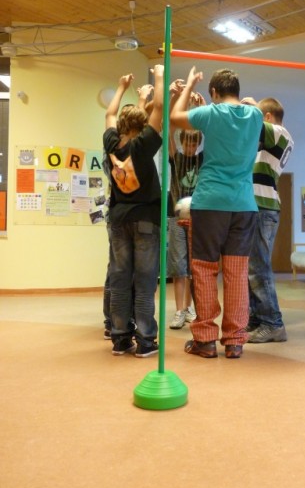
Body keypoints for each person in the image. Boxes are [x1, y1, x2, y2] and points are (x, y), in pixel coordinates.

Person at [170, 66, 263, 358]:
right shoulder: (256, 115)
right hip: (244, 205)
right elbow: (254, 105)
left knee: (204, 269)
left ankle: (206, 340)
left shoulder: (210, 113)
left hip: (210, 202)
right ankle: (234, 342)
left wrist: (189, 86)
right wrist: (249, 102)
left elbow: (175, 117)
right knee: (236, 272)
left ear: (213, 92)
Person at [103, 67, 163, 357]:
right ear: (142, 126)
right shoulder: (142, 146)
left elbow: (109, 114)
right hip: (146, 220)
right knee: (145, 280)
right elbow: (159, 108)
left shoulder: (112, 144)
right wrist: (159, 77)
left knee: (119, 279)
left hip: (118, 221)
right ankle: (146, 340)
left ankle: (120, 337)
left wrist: (121, 87)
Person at [240, 96, 294, 343]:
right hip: (257, 207)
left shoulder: (280, 133)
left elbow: (256, 125)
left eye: (259, 116)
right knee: (252, 268)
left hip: (264, 207)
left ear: (268, 117)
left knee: (259, 267)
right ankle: (257, 319)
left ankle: (273, 323)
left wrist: (251, 106)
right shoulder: (268, 141)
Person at [167, 81, 204, 329]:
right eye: (187, 143)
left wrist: (201, 109)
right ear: (182, 142)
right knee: (178, 266)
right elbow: (169, 129)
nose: (190, 148)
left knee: (193, 266)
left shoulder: (203, 159)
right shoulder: (176, 157)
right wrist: (176, 99)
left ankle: (189, 308)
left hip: (197, 218)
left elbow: (213, 133)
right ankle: (179, 310)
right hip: (176, 217)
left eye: (194, 143)